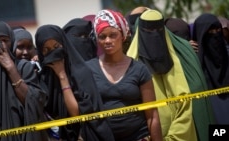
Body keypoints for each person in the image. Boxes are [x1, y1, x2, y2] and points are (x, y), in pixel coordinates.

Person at [127, 9, 214, 141]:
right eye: (148, 32)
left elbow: (186, 103)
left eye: (158, 30)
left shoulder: (179, 59)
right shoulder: (129, 65)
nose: (154, 36)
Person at [86, 9, 163, 141]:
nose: (108, 40)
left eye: (113, 35)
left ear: (123, 35)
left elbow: (152, 115)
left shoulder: (139, 69)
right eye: (102, 36)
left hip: (138, 136)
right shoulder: (89, 69)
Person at [35, 24, 115, 141]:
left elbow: (77, 114)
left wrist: (62, 76)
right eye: (46, 50)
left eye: (56, 46)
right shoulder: (42, 78)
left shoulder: (81, 72)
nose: (53, 53)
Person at [0, 21, 48, 141]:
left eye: (5, 40)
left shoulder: (23, 68)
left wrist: (11, 69)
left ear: (12, 41)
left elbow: (34, 102)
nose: (1, 45)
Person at [192, 13, 229, 124]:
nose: (215, 35)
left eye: (218, 30)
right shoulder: (194, 63)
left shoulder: (227, 55)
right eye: (210, 32)